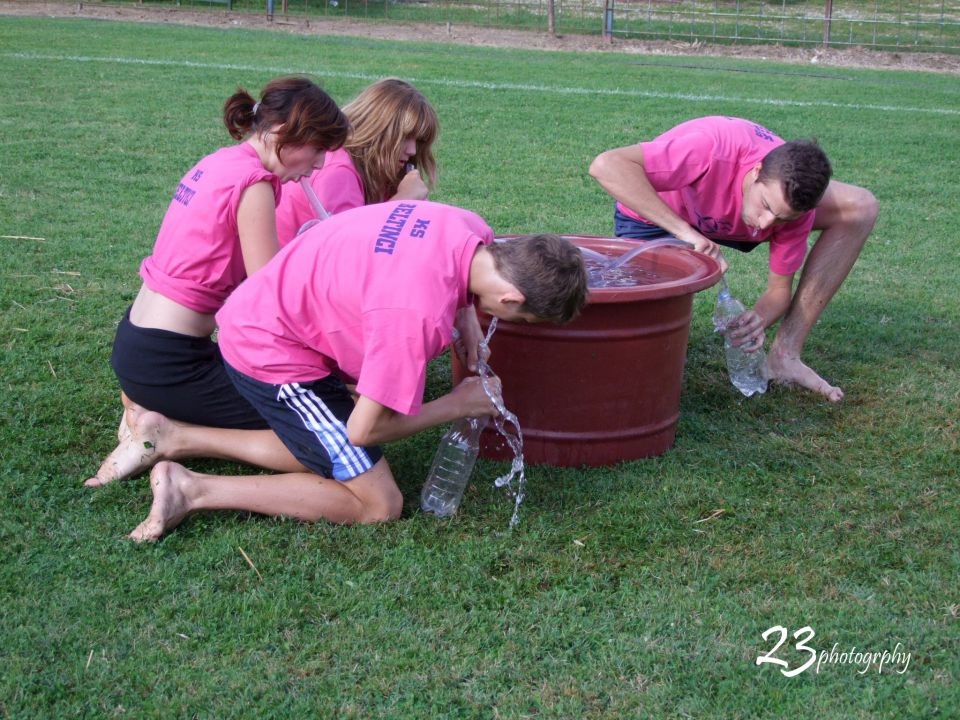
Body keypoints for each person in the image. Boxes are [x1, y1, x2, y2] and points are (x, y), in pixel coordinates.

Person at [123, 200, 588, 541]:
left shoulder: (467, 225)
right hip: (271, 348)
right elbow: (364, 429)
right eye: (519, 319)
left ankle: (177, 435)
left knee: (324, 446)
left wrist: (466, 320)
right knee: (379, 503)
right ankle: (194, 488)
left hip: (279, 309)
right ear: (511, 299)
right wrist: (457, 405)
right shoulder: (414, 317)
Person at [86, 76, 350, 486]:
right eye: (317, 151)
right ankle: (174, 437)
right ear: (283, 134)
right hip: (169, 362)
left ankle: (156, 415)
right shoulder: (255, 184)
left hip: (138, 343)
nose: (318, 166)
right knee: (327, 430)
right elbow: (269, 300)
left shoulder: (219, 162)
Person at [589, 115, 878, 402]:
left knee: (860, 207)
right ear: (756, 172)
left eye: (781, 218)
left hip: (720, 221)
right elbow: (607, 165)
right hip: (659, 216)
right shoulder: (710, 150)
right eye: (766, 206)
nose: (765, 224)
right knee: (636, 344)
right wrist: (686, 234)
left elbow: (778, 292)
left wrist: (758, 319)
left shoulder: (792, 212)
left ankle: (785, 357)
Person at [274, 78, 438, 245]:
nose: (412, 150)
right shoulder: (337, 171)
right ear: (376, 130)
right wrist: (403, 198)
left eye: (418, 140)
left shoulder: (382, 167)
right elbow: (348, 246)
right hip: (285, 265)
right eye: (404, 137)